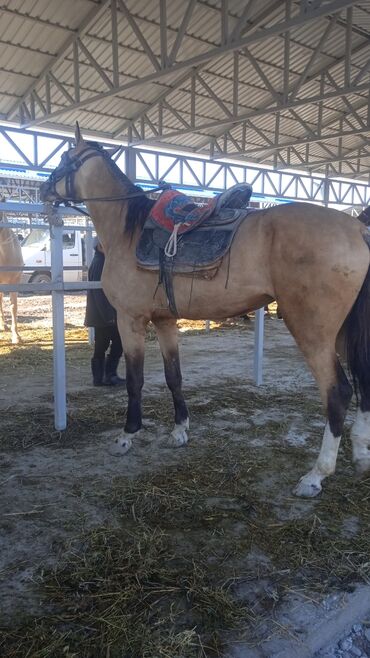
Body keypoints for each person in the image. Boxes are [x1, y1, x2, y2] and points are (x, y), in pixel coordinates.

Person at [84, 239, 125, 386]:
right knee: (112, 343)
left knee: (104, 345)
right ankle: (108, 376)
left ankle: (102, 377)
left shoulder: (102, 261)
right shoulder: (100, 263)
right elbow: (99, 292)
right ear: (100, 246)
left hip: (101, 314)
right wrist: (108, 316)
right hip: (103, 314)